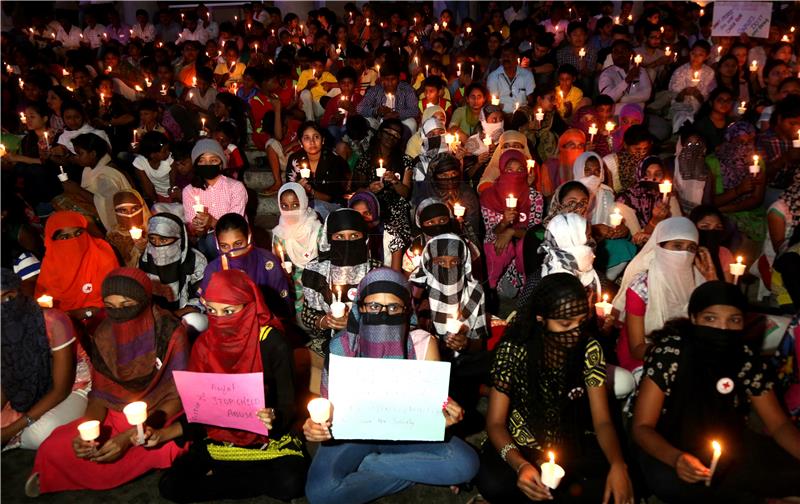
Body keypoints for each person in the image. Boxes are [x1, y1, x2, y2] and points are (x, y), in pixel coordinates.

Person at [303, 268, 480, 504]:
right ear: (360, 307)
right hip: (353, 437)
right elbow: (328, 411)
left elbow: (432, 409)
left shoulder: (423, 343)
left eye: (394, 307)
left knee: (466, 464)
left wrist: (444, 419)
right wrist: (316, 425)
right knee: (319, 494)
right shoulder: (340, 346)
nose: (383, 314)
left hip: (407, 436)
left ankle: (371, 464)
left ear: (406, 310)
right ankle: (413, 469)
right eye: (374, 306)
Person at [632, 281, 800, 503]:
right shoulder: (671, 352)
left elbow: (778, 424)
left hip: (728, 445)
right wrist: (677, 459)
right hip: (668, 444)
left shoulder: (745, 357)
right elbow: (642, 427)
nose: (722, 329)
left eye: (734, 320)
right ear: (693, 318)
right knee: (681, 487)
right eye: (710, 318)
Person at [27, 268, 189, 496]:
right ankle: (55, 470)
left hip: (160, 414)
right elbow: (100, 396)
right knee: (53, 446)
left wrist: (130, 437)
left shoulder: (170, 333)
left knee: (171, 445)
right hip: (116, 412)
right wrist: (88, 434)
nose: (120, 315)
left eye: (127, 306)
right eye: (111, 308)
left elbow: (178, 397)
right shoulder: (104, 333)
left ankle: (74, 472)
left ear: (144, 301)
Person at [475, 273, 634, 504]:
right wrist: (520, 465)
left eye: (581, 322)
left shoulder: (589, 349)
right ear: (541, 318)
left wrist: (618, 464)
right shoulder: (514, 349)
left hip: (568, 442)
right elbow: (496, 423)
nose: (575, 333)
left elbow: (602, 421)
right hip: (521, 444)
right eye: (565, 324)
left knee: (611, 482)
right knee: (495, 484)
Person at [156, 269, 307, 502]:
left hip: (268, 440)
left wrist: (274, 416)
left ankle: (226, 476)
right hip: (221, 437)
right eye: (212, 311)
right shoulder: (205, 345)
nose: (220, 319)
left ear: (250, 307)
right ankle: (243, 478)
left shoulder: (272, 343)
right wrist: (164, 433)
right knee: (170, 486)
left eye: (229, 311)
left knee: (290, 483)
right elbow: (200, 411)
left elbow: (289, 404)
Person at [612, 217, 718, 374]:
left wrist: (712, 281)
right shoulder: (642, 286)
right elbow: (636, 349)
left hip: (688, 352)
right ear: (659, 247)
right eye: (677, 246)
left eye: (690, 248)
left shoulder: (698, 281)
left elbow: (718, 321)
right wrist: (676, 351)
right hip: (646, 354)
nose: (683, 254)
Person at [1, 269, 90, 450]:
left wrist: (11, 430)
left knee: (39, 434)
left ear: (20, 293)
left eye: (8, 297)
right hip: (26, 390)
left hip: (75, 386)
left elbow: (61, 390)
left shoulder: (54, 320)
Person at [301, 209, 382, 358]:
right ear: (329, 238)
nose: (347, 242)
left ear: (364, 238)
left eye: (354, 236)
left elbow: (386, 317)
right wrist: (324, 321)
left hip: (368, 342)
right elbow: (306, 314)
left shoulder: (377, 270)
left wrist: (354, 324)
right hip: (327, 340)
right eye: (339, 236)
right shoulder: (316, 270)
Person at [199, 213, 293, 321]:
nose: (232, 252)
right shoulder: (214, 270)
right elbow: (212, 314)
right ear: (217, 244)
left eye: (238, 244)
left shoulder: (267, 262)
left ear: (248, 237)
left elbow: (282, 308)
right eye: (224, 246)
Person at [35, 211, 119, 320]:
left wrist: (88, 312)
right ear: (52, 241)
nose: (74, 241)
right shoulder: (50, 265)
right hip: (65, 324)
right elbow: (44, 311)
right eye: (65, 238)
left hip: (107, 317)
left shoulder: (102, 251)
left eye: (79, 234)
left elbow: (119, 295)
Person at [480, 150, 544, 290]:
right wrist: (503, 222)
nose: (515, 174)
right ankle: (492, 287)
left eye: (520, 170)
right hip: (500, 244)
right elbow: (491, 233)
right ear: (502, 170)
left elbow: (535, 233)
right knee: (497, 246)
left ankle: (528, 288)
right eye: (509, 170)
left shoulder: (535, 197)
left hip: (522, 241)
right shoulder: (489, 196)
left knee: (525, 246)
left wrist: (511, 231)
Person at [181, 139, 248, 259]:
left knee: (212, 240)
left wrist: (211, 222)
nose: (208, 165)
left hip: (236, 239)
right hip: (205, 243)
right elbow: (194, 230)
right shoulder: (189, 191)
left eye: (213, 160)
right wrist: (199, 227)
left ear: (221, 163)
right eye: (202, 161)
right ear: (196, 164)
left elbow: (234, 225)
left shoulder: (235, 187)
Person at [139, 213, 207, 320]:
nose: (157, 245)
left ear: (179, 239)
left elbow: (202, 297)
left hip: (183, 315)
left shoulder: (196, 261)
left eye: (163, 240)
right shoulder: (146, 258)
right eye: (152, 239)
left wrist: (173, 316)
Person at [272, 183, 323, 321]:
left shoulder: (317, 229)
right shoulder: (279, 233)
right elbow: (277, 261)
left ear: (304, 202)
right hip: (293, 285)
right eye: (284, 206)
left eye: (295, 205)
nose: (290, 211)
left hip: (317, 282)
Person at [285, 121, 349, 220]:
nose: (312, 142)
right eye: (307, 138)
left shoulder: (334, 160)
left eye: (316, 137)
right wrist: (297, 189)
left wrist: (310, 191)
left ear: (323, 140)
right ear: (300, 142)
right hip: (302, 206)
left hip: (332, 207)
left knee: (317, 207)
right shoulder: (295, 159)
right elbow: (289, 190)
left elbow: (331, 196)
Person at [70, 132, 132, 232]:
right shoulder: (89, 168)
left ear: (93, 154)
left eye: (80, 153)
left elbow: (105, 203)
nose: (76, 157)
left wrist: (78, 190)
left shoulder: (106, 175)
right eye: (75, 154)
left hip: (121, 220)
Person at [616, 156, 682, 243]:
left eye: (658, 174)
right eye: (646, 174)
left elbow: (679, 228)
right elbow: (636, 239)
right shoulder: (626, 199)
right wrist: (655, 221)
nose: (653, 178)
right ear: (639, 174)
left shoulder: (668, 196)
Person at [106, 189, 151, 268]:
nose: (130, 215)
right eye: (123, 211)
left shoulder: (154, 229)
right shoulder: (113, 237)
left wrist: (144, 248)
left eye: (135, 209)